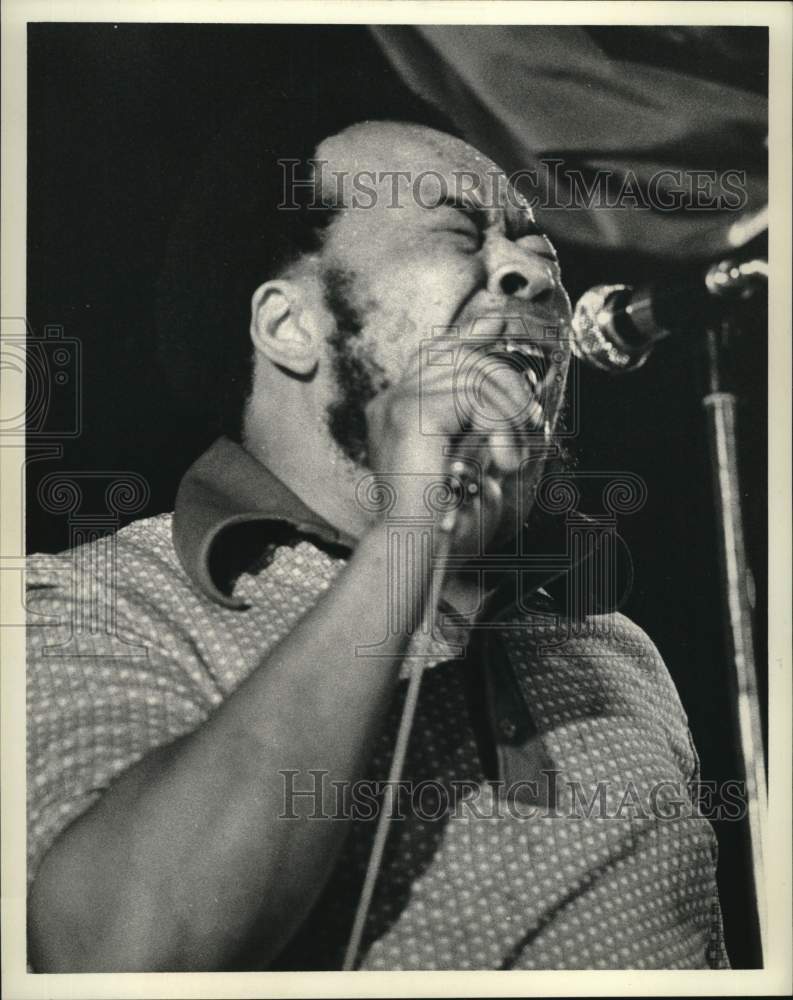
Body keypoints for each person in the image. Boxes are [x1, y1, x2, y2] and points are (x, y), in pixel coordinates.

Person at [26, 118, 729, 972]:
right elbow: (117, 955)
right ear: (289, 326)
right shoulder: (95, 602)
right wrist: (406, 547)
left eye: (538, 251)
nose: (535, 275)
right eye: (458, 232)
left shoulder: (616, 654)